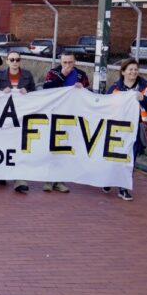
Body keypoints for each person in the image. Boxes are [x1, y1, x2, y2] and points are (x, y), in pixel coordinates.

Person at [105, 58, 147, 201]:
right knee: (113, 156)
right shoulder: (115, 88)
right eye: (130, 70)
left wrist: (143, 99)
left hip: (135, 129)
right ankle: (108, 180)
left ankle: (123, 187)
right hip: (117, 128)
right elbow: (105, 105)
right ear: (123, 72)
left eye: (135, 69)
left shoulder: (144, 87)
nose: (133, 72)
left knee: (131, 158)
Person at [42, 51, 90, 193]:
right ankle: (48, 180)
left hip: (71, 116)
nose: (68, 65)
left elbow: (88, 94)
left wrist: (83, 90)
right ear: (60, 62)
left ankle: (59, 180)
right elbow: (47, 89)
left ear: (75, 62)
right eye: (65, 62)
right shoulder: (53, 73)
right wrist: (62, 75)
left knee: (64, 148)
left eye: (70, 62)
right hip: (55, 114)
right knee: (51, 147)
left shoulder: (81, 75)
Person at [0, 51, 36, 193]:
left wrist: (27, 92)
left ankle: (19, 179)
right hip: (4, 117)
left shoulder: (27, 75)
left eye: (17, 59)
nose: (15, 62)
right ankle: (2, 173)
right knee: (4, 144)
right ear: (7, 61)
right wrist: (0, 91)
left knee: (18, 146)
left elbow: (35, 93)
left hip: (21, 117)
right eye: (12, 59)